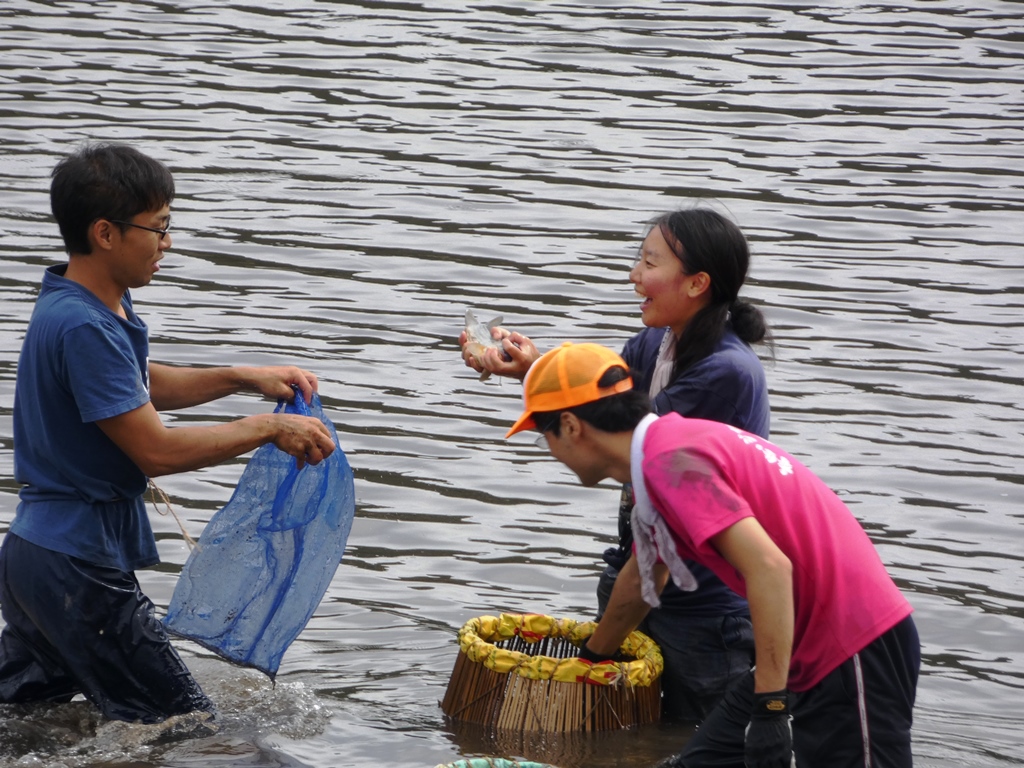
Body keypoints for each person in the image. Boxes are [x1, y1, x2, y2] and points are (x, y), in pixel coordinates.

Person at [0, 142, 338, 724]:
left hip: (46, 558)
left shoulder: (90, 303)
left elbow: (135, 384)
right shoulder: (83, 324)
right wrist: (265, 429)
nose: (168, 242)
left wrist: (239, 376)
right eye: (158, 228)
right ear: (106, 234)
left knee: (19, 712)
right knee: (186, 729)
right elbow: (154, 448)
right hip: (75, 569)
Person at [504, 341, 919, 768]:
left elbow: (771, 568)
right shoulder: (661, 453)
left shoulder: (671, 463)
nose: (550, 453)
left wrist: (771, 708)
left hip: (854, 644)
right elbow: (646, 579)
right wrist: (590, 662)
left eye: (544, 436)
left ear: (571, 426)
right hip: (802, 644)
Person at [460, 208, 771, 720]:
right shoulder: (653, 342)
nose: (634, 275)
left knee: (700, 744)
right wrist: (532, 369)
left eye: (649, 262)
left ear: (697, 283)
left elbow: (618, 436)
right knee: (629, 739)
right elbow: (607, 413)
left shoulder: (726, 373)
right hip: (636, 566)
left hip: (704, 609)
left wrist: (590, 659)